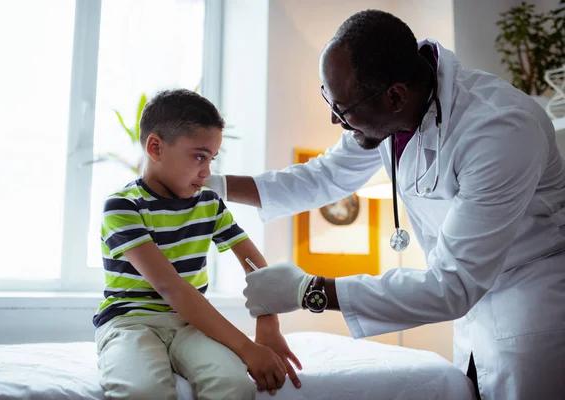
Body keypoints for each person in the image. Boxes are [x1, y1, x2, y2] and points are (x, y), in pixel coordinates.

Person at [205, 9, 565, 400]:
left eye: (342, 108)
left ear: (395, 96)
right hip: (473, 316)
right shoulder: (394, 115)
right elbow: (324, 176)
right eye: (329, 98)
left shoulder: (500, 130)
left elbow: (453, 283)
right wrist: (213, 185)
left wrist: (308, 290)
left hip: (529, 308)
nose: (333, 118)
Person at [93, 89, 302, 400]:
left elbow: (255, 265)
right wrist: (246, 347)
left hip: (189, 325)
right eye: (199, 156)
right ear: (155, 147)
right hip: (130, 322)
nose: (207, 172)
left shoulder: (209, 203)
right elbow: (171, 288)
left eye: (212, 159)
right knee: (143, 391)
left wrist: (268, 326)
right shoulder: (123, 207)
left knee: (234, 384)